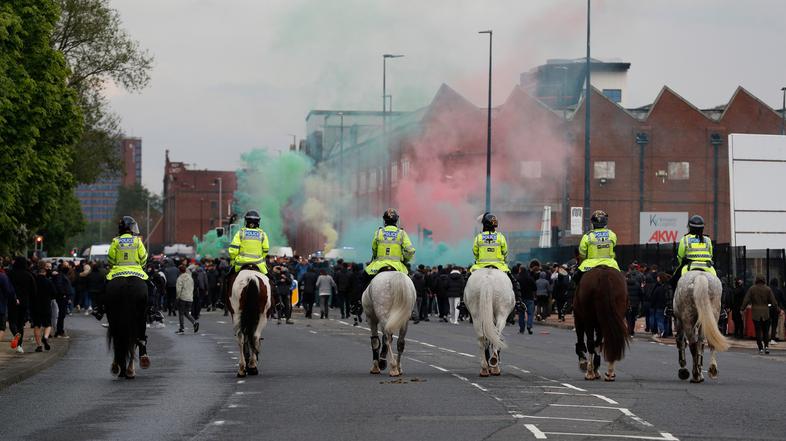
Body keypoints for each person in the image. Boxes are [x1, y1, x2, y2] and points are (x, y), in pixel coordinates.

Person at [102, 216, 151, 369]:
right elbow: (144, 258)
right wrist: (138, 265)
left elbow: (110, 258)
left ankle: (99, 308)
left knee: (104, 289)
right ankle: (154, 310)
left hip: (117, 274)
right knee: (152, 288)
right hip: (136, 273)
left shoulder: (115, 241)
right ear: (131, 228)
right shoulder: (137, 241)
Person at [358, 208, 416, 298]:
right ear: (396, 220)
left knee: (362, 279)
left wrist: (376, 256)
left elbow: (374, 249)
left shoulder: (378, 232)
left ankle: (357, 304)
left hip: (379, 265)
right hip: (398, 267)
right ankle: (412, 309)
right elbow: (410, 250)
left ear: (384, 220)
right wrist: (405, 259)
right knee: (410, 287)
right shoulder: (402, 233)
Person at [468, 213, 523, 307]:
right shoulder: (500, 237)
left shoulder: (478, 237)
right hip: (499, 266)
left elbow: (475, 252)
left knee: (467, 280)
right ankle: (518, 302)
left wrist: (479, 259)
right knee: (514, 282)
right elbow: (505, 251)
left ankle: (462, 303)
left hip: (480, 265)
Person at [575, 210, 620, 287]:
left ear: (592, 224)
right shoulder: (612, 234)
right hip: (611, 264)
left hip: (589, 265)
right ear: (605, 223)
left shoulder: (587, 236)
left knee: (576, 278)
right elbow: (614, 245)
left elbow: (582, 253)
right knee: (622, 280)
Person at [671, 215, 715, 289]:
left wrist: (681, 263)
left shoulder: (685, 239)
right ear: (702, 228)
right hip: (708, 268)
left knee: (674, 282)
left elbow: (680, 256)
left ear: (690, 227)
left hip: (689, 267)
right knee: (718, 284)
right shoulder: (707, 239)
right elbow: (710, 255)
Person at [741, 276, 778, 354]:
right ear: (764, 280)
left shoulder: (752, 289)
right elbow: (773, 301)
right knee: (766, 331)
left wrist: (742, 308)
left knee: (758, 331)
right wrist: (777, 309)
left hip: (756, 313)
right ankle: (767, 347)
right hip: (766, 312)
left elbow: (746, 299)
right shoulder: (768, 289)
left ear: (756, 280)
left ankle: (760, 348)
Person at [228, 210, 270, 275]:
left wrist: (233, 259)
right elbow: (266, 249)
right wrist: (262, 257)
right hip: (259, 264)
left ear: (246, 221)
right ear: (258, 222)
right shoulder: (263, 234)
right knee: (271, 279)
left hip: (240, 264)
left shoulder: (240, 233)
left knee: (227, 278)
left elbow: (233, 249)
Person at [175, 265, 198, 334]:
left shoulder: (180, 278)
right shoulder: (190, 278)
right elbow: (192, 287)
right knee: (187, 313)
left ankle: (181, 328)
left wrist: (177, 297)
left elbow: (178, 290)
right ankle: (194, 322)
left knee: (181, 313)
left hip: (183, 298)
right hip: (190, 298)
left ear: (179, 271)